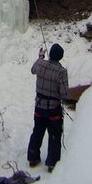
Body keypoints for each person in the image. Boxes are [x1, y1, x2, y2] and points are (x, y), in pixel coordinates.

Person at [27, 43, 69, 173]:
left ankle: (33, 158)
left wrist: (40, 57)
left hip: (39, 107)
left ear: (50, 54)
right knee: (55, 135)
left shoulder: (40, 64)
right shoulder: (61, 72)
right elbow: (64, 94)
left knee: (37, 132)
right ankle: (52, 162)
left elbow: (33, 69)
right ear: (60, 57)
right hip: (53, 110)